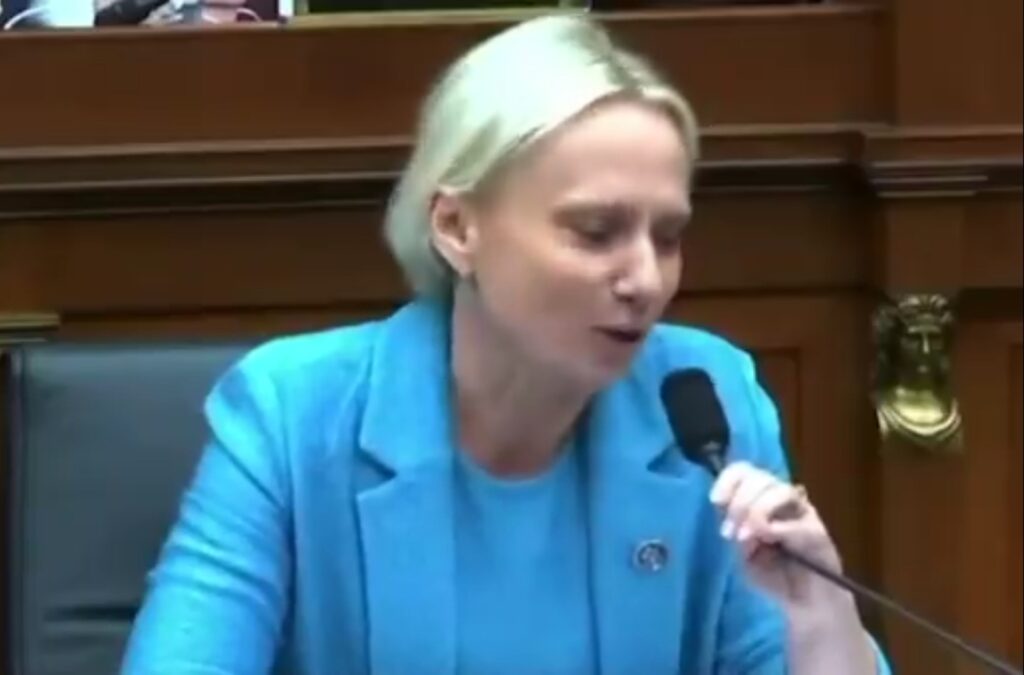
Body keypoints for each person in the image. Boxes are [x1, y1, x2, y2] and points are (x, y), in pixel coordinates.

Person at [121, 13, 893, 675]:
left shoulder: (705, 404)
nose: (645, 279)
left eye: (668, 236)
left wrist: (822, 615)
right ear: (457, 227)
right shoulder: (291, 416)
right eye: (596, 231)